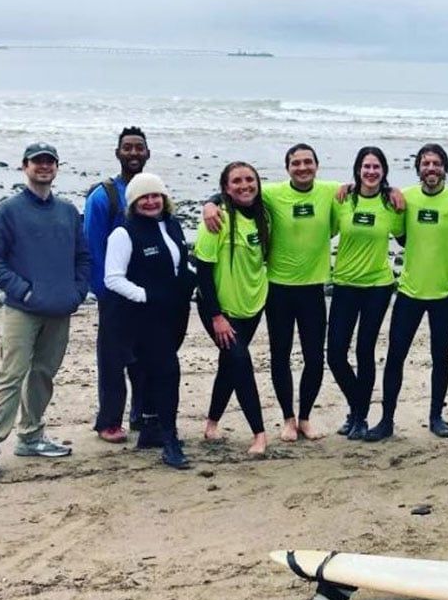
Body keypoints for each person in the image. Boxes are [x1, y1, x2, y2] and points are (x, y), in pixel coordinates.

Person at [0, 142, 91, 481]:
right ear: (24, 167)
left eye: (49, 162)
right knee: (11, 374)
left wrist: (77, 291)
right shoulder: (9, 209)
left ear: (57, 168)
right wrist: (23, 289)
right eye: (37, 162)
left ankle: (31, 436)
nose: (43, 167)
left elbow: (82, 257)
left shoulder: (68, 210)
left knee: (43, 374)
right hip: (22, 310)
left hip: (60, 308)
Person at [204, 144, 336, 442]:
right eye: (295, 163)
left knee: (315, 358)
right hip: (277, 290)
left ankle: (305, 418)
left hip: (314, 288)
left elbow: (363, 187)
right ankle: (287, 419)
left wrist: (391, 190)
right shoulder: (271, 194)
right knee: (281, 355)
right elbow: (236, 194)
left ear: (317, 165)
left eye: (307, 162)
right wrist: (210, 205)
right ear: (287, 168)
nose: (302, 167)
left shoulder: (331, 191)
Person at [363, 144, 448, 442]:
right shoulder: (406, 197)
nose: (431, 168)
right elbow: (398, 232)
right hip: (410, 291)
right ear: (418, 168)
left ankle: (436, 417)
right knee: (395, 357)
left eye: (437, 163)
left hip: (445, 293)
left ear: (445, 168)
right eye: (426, 163)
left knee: (440, 357)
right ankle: (386, 419)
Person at [103, 173, 196, 468]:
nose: (151, 201)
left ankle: (151, 431)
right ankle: (169, 440)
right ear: (133, 202)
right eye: (144, 197)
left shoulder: (172, 225)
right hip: (142, 317)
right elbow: (113, 278)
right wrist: (146, 296)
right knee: (169, 372)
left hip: (174, 313)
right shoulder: (123, 233)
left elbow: (180, 263)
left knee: (155, 374)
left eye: (156, 195)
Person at [327, 147, 405, 441]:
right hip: (345, 283)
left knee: (364, 351)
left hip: (377, 287)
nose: (371, 172)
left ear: (384, 171)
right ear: (357, 170)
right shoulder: (343, 200)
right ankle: (357, 405)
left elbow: (405, 235)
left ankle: (359, 418)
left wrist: (396, 192)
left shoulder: (392, 203)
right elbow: (324, 226)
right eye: (366, 166)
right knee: (335, 353)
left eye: (376, 167)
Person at [194, 162, 270, 455]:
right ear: (225, 187)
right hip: (220, 310)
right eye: (236, 181)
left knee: (230, 365)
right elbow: (203, 272)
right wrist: (217, 316)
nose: (244, 185)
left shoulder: (265, 215)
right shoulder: (217, 220)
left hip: (252, 306)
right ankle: (259, 435)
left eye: (250, 179)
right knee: (241, 363)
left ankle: (211, 425)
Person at [84, 126, 150, 442]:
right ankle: (109, 421)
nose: (134, 153)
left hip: (145, 294)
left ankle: (141, 415)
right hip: (113, 293)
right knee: (112, 361)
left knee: (145, 358)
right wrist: (102, 291)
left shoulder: (152, 193)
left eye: (139, 147)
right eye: (128, 147)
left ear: (147, 153)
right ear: (118, 153)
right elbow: (91, 245)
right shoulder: (104, 195)